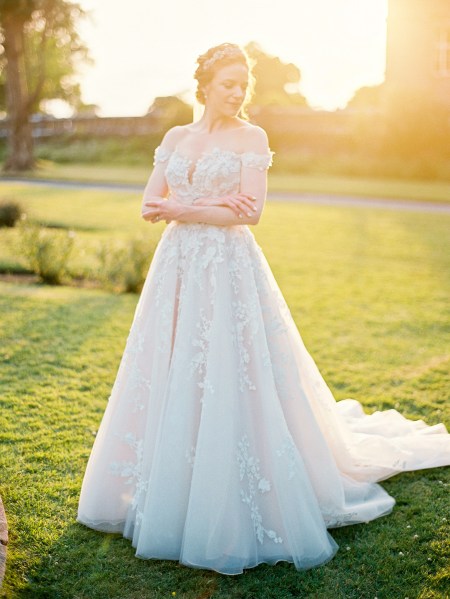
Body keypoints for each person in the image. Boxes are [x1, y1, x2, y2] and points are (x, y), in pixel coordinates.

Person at [77, 42, 450, 575]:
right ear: (204, 84)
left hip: (228, 269)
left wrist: (186, 208)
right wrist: (206, 207)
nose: (236, 93)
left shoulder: (252, 137)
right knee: (172, 365)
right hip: (178, 267)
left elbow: (250, 214)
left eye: (242, 85)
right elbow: (148, 204)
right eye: (228, 83)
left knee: (232, 366)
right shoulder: (175, 137)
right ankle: (170, 484)